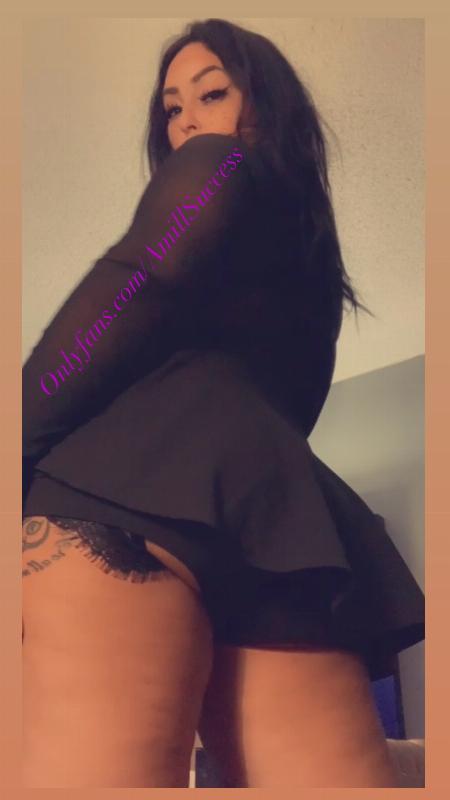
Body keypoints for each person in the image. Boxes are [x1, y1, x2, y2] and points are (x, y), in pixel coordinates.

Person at [22, 18, 424, 788]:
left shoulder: (279, 229)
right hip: (149, 504)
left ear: (265, 104)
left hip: (235, 509)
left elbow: (140, 287)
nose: (187, 122)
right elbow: (135, 286)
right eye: (172, 108)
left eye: (211, 94)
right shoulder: (222, 169)